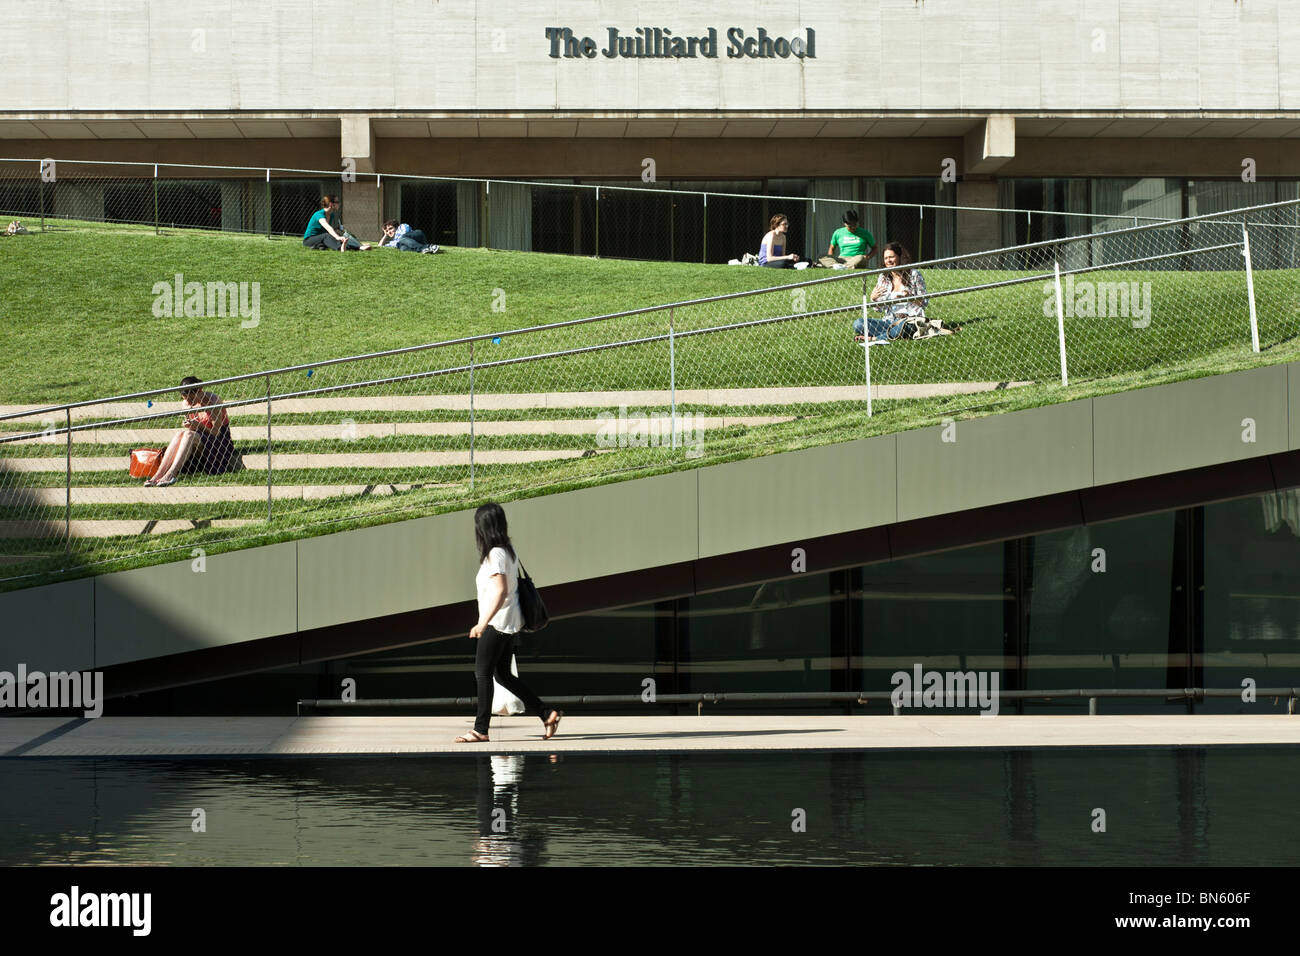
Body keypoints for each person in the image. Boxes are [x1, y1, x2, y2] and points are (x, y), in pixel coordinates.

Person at [455, 502, 562, 743]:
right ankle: (546, 713)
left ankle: (480, 730)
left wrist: (482, 623)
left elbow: (501, 591)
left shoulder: (496, 554)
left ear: (483, 528)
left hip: (498, 622)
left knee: (482, 673)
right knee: (502, 675)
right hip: (509, 621)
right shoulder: (508, 549)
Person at [144, 376, 242, 487]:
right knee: (180, 434)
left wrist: (199, 426)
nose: (188, 401)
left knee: (188, 434)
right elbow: (192, 431)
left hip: (219, 442)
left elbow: (216, 432)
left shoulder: (213, 401)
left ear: (199, 391)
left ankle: (171, 474)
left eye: (191, 398)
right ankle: (158, 475)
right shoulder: (185, 404)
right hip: (200, 440)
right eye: (184, 397)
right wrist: (190, 426)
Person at [853, 242, 951, 344]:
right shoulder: (883, 277)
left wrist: (909, 297)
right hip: (889, 321)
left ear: (899, 257)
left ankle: (875, 338)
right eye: (886, 258)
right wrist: (873, 299)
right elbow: (879, 309)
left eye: (891, 257)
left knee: (905, 327)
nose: (888, 261)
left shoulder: (914, 274)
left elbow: (924, 302)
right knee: (858, 324)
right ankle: (892, 334)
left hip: (910, 320)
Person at [302, 195, 371, 251]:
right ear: (331, 204)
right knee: (327, 236)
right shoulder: (319, 214)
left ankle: (358, 246)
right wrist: (337, 237)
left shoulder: (331, 215)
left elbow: (334, 230)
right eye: (337, 202)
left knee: (338, 235)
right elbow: (328, 228)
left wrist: (344, 236)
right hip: (309, 240)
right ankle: (343, 248)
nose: (339, 204)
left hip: (321, 239)